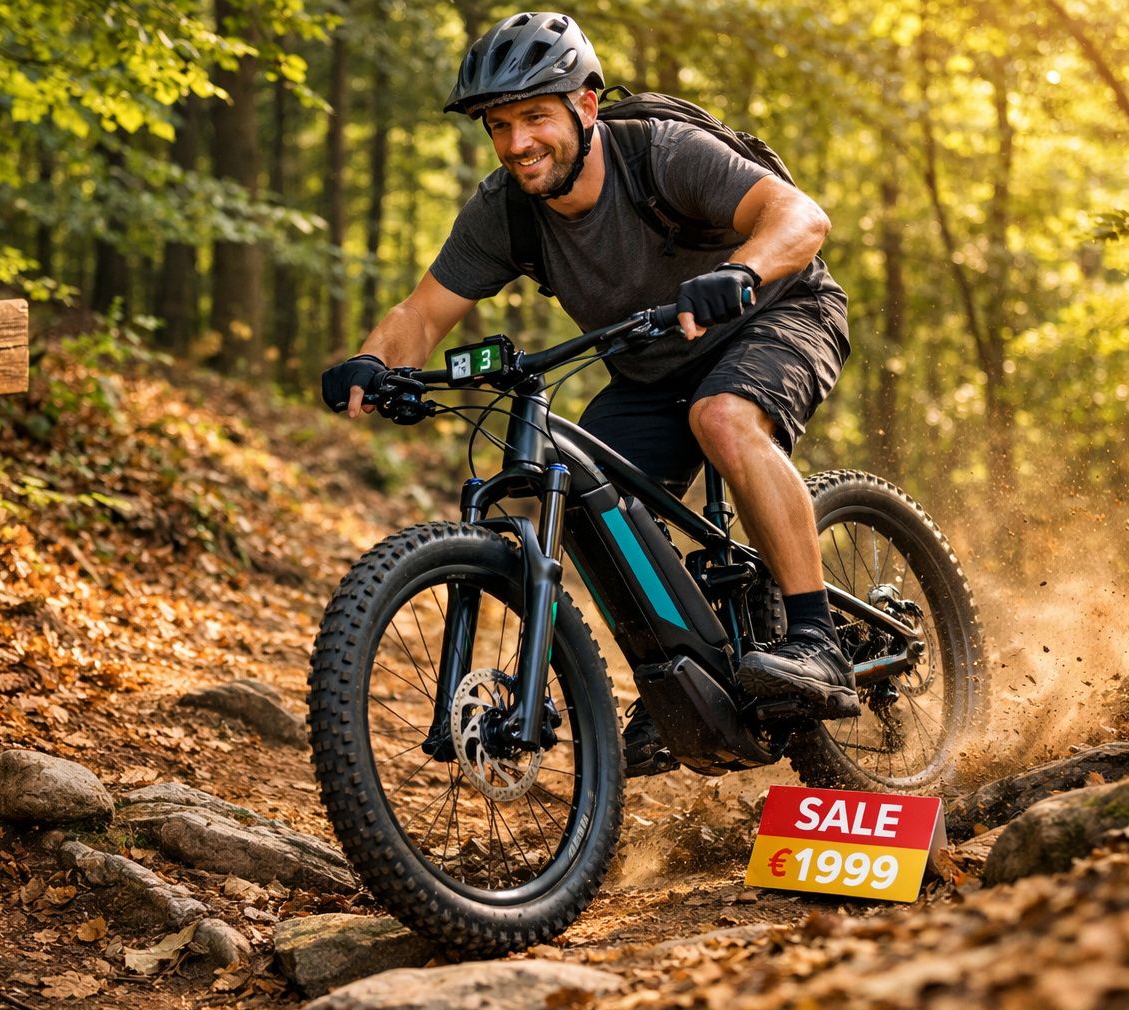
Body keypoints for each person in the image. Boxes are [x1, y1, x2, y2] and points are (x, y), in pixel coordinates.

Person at [321, 11, 858, 777]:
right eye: (498, 126)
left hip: (776, 312)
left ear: (586, 107)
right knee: (582, 495)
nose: (517, 144)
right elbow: (421, 313)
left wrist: (741, 272)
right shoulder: (504, 210)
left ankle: (817, 640)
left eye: (535, 117)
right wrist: (371, 364)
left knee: (725, 417)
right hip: (648, 367)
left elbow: (800, 217)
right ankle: (682, 670)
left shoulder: (660, 155)